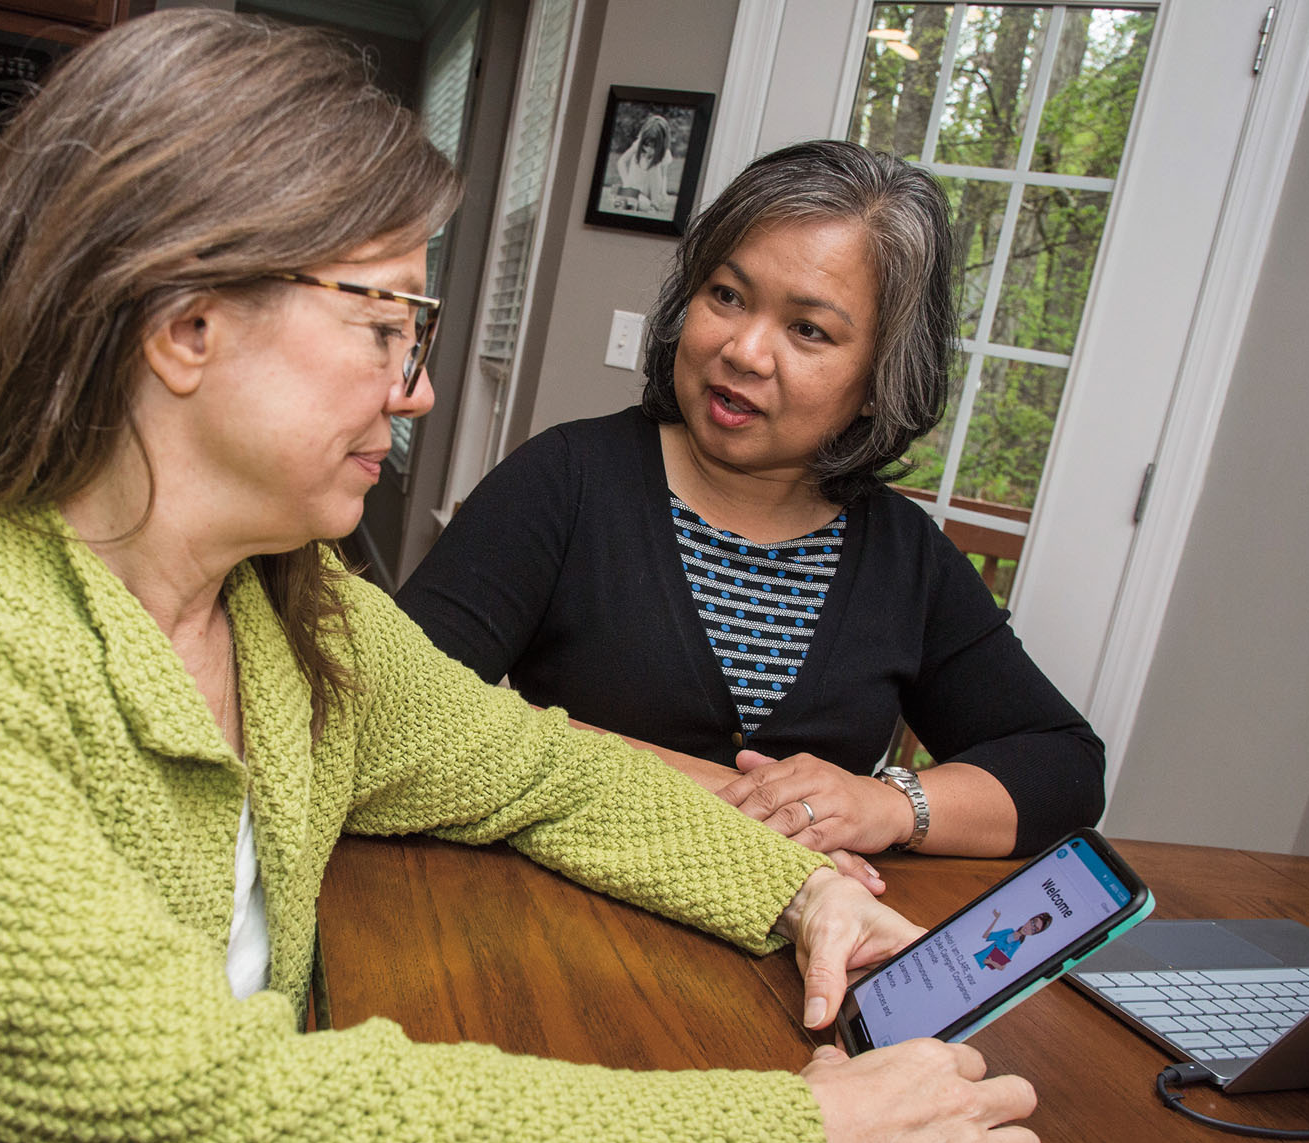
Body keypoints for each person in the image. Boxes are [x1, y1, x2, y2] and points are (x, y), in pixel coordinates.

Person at [0, 19, 1043, 1143]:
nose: (417, 388)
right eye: (387, 321)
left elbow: (538, 770)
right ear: (185, 322)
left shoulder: (290, 612)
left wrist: (799, 896)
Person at [399, 140, 1105, 865]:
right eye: (727, 295)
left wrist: (888, 804)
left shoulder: (906, 556)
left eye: (808, 330)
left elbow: (1066, 769)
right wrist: (739, 805)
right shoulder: (564, 479)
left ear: (876, 382)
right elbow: (399, 704)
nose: (744, 350)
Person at [614, 113, 674, 214]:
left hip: (652, 192)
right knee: (641, 203)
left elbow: (664, 176)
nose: (648, 149)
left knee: (655, 168)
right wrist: (626, 183)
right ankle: (641, 203)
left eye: (653, 146)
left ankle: (652, 204)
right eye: (646, 145)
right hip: (634, 189)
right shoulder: (637, 146)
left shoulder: (664, 154)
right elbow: (621, 162)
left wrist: (663, 192)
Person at [977, 911, 1054, 970]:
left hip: (980, 966)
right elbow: (985, 935)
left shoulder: (1016, 944)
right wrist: (996, 919)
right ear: (1029, 920)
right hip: (976, 956)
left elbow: (1002, 966)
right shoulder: (1009, 931)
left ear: (1034, 934)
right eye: (1033, 922)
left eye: (1034, 930)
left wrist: (990, 962)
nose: (1029, 928)